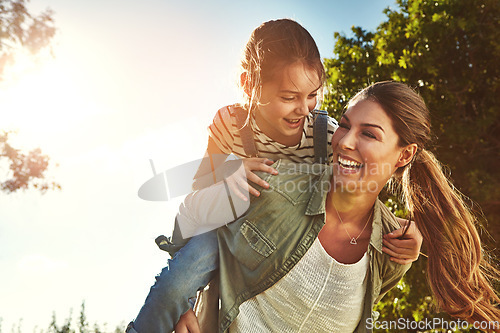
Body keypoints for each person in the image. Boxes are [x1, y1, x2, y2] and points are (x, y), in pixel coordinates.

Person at [127, 20, 422, 333]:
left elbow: (361, 191)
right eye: (289, 97)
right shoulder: (231, 123)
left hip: (283, 238)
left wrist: (408, 239)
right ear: (248, 84)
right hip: (225, 227)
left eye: (313, 95)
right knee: (173, 286)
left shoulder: (326, 134)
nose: (304, 109)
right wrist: (185, 300)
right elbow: (200, 194)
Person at [174, 81, 500, 333]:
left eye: (368, 134)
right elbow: (190, 216)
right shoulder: (275, 184)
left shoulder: (392, 248)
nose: (344, 141)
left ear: (404, 155)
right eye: (344, 125)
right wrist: (182, 303)